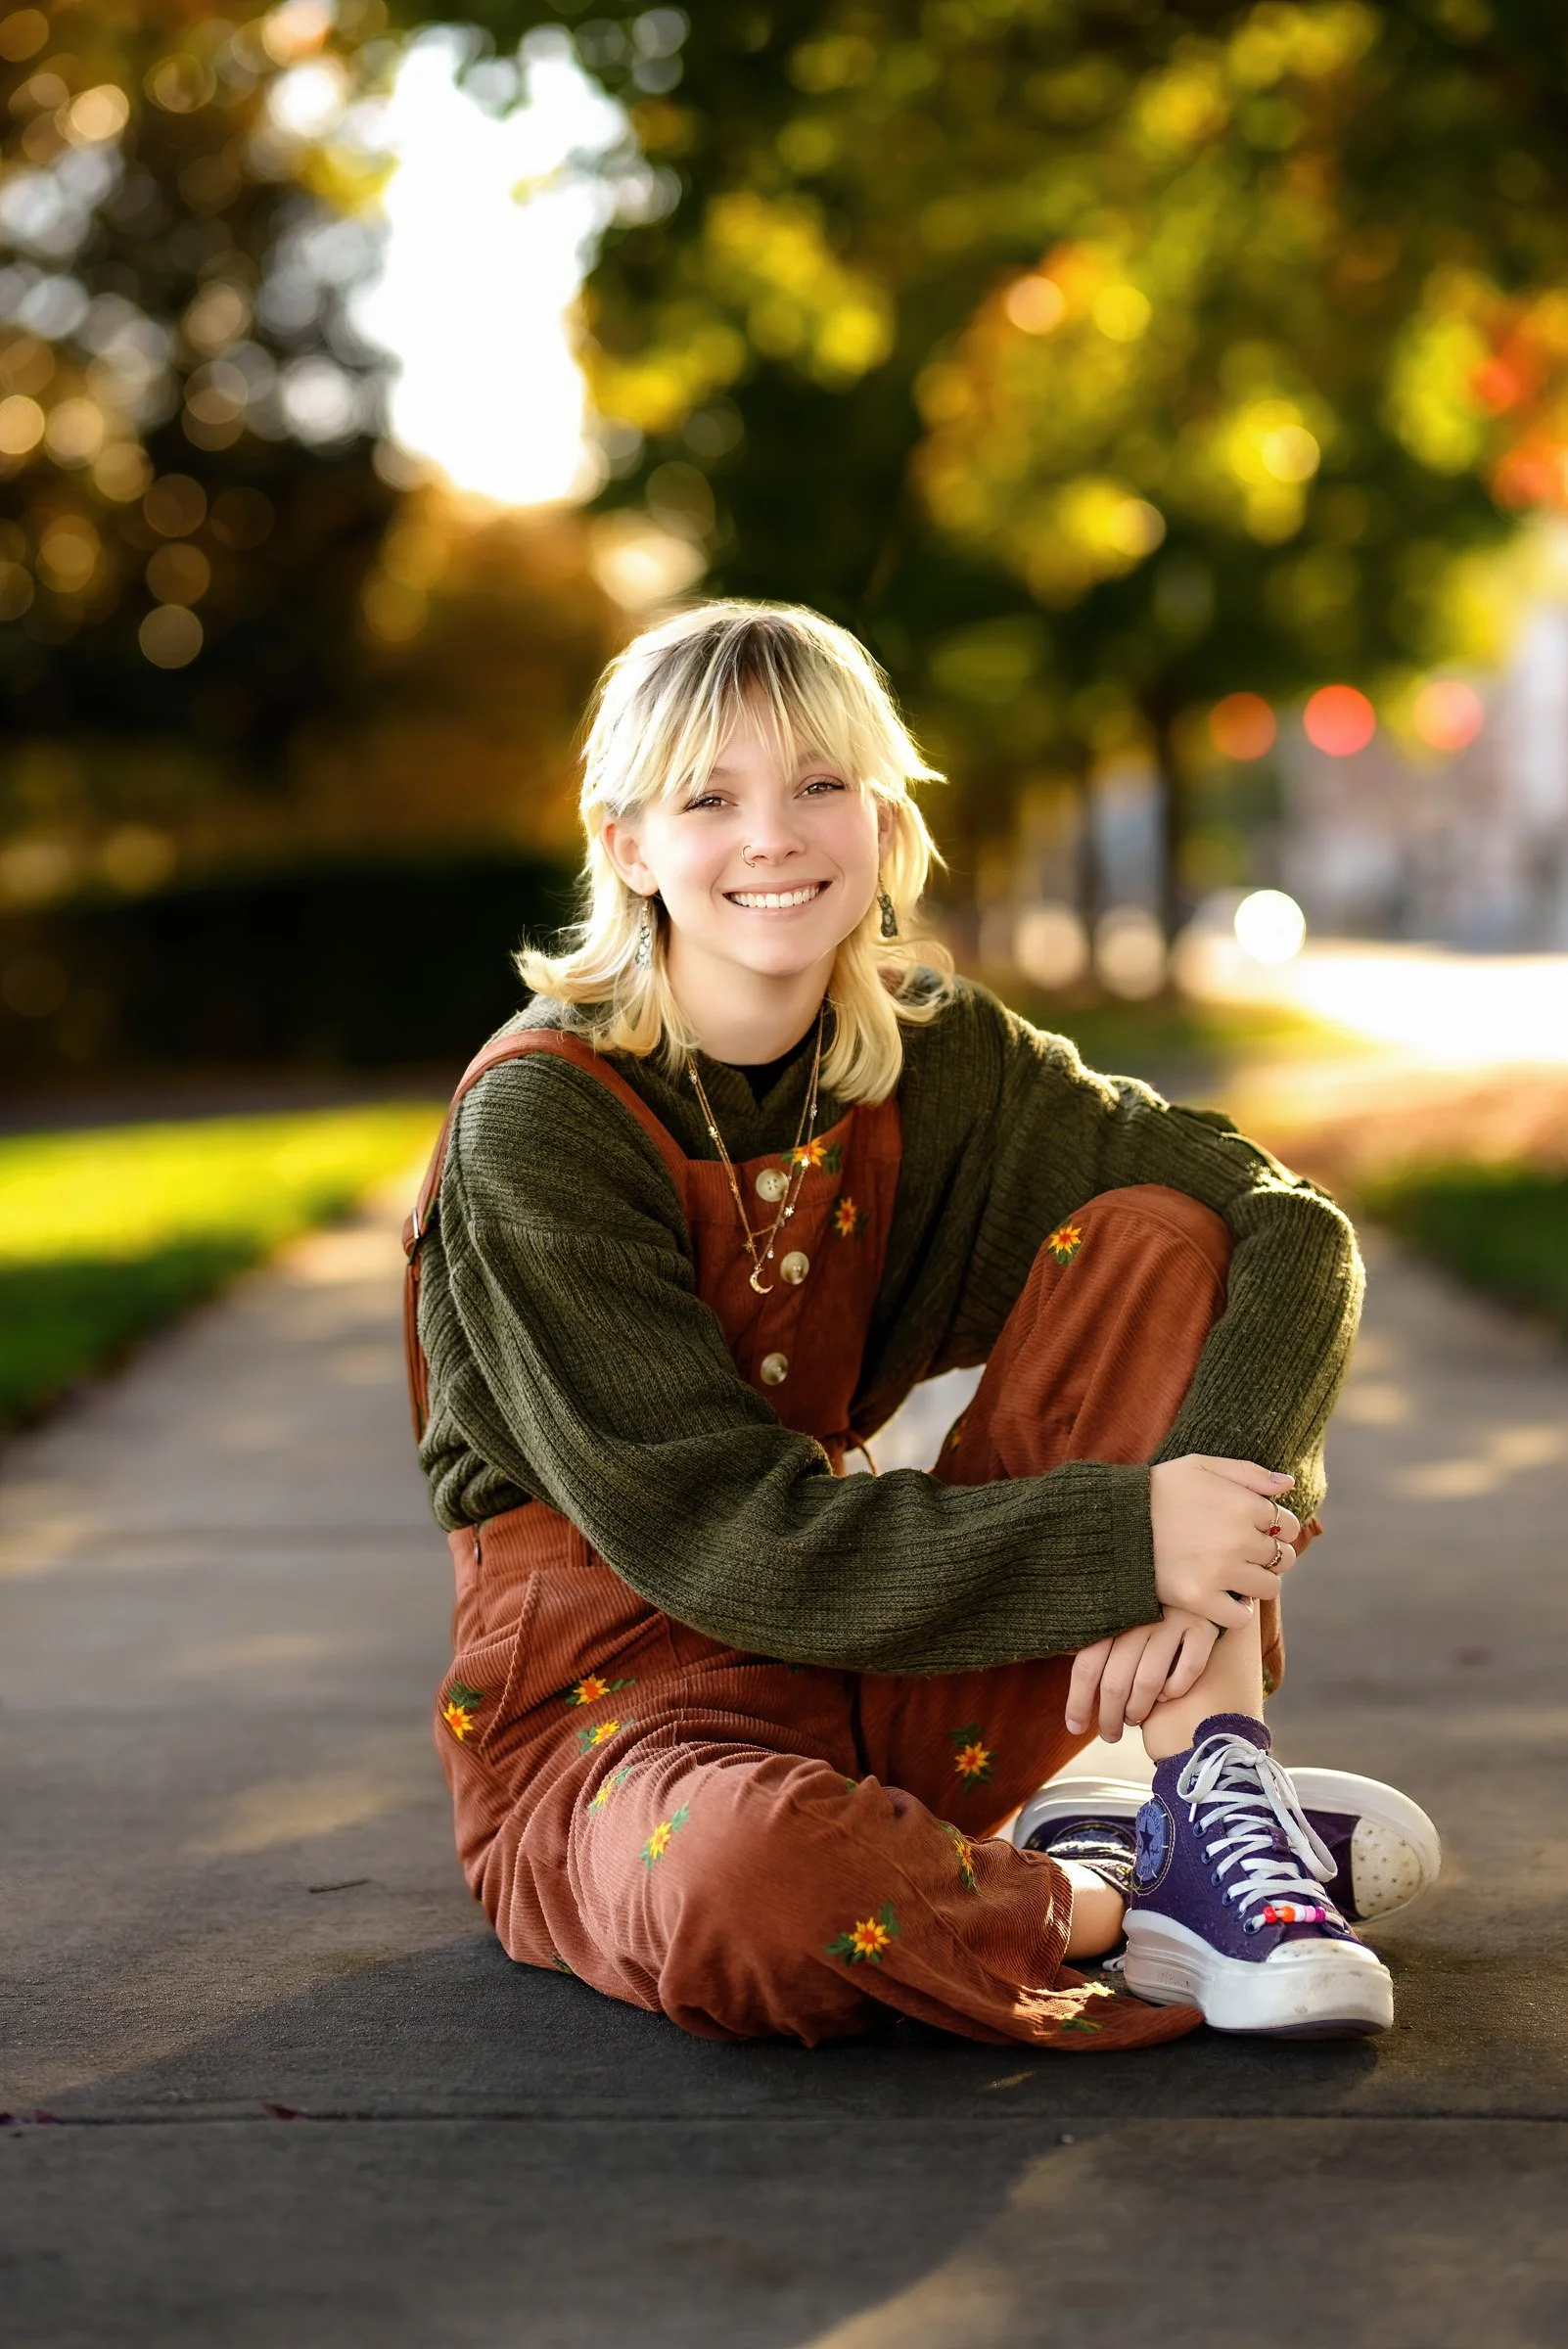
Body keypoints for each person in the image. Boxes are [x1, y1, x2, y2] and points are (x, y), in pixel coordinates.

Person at [404, 600, 1439, 2052]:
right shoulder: (544, 1122)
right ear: (627, 844)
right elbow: (722, 1541)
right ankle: (1107, 1884)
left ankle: (1211, 1790)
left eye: (821, 783)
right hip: (615, 1733)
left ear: (884, 819)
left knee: (1165, 1232)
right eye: (711, 795)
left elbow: (1290, 1225)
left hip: (885, 1663)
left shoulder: (934, 1058)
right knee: (751, 1884)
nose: (776, 835)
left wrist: (1223, 1497)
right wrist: (1130, 1536)